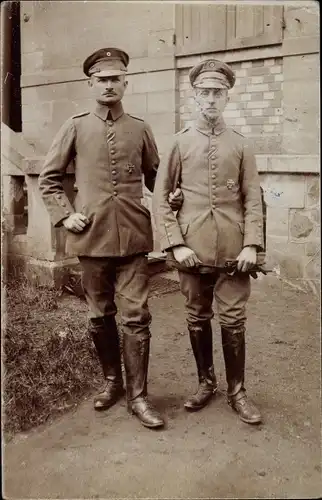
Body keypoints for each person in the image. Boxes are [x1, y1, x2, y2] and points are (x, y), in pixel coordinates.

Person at [38, 47, 182, 429]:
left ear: (125, 83)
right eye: (101, 80)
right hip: (91, 239)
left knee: (137, 316)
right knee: (100, 314)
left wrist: (172, 195)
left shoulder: (140, 128)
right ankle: (112, 382)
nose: (108, 85)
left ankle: (139, 397)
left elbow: (158, 178)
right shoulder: (75, 126)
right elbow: (49, 179)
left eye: (115, 79)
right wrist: (66, 216)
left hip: (134, 239)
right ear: (90, 84)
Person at [152, 59, 265, 425]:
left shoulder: (242, 145)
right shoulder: (179, 142)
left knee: (234, 318)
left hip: (235, 251)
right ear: (195, 97)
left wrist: (252, 245)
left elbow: (252, 199)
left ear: (227, 97)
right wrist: (176, 244)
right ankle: (205, 383)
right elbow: (160, 197)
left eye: (218, 93)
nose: (211, 99)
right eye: (205, 92)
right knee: (197, 316)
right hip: (192, 250)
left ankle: (237, 391)